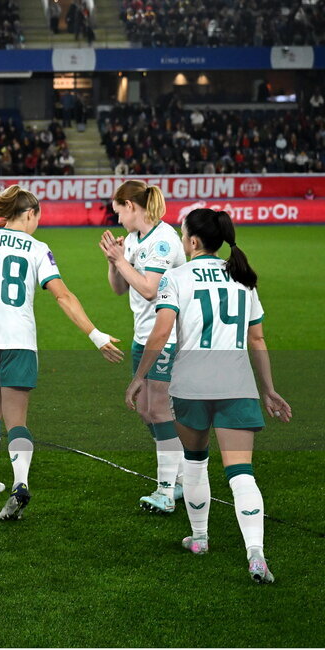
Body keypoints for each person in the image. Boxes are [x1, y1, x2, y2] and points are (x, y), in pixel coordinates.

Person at [127, 208, 291, 584]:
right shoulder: (243, 278)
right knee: (241, 474)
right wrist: (268, 389)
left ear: (194, 241)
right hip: (237, 384)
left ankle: (200, 538)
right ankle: (256, 554)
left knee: (196, 461)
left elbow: (160, 332)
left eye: (185, 234)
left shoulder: (177, 277)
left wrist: (139, 377)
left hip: (191, 386)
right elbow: (258, 339)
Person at [0, 186, 123, 520]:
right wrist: (96, 334)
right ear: (30, 214)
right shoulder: (37, 248)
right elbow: (63, 296)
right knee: (17, 420)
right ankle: (20, 482)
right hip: (19, 340)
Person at [99, 181, 187, 513]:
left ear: (131, 206)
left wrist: (122, 260)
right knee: (150, 413)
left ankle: (167, 491)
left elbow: (150, 290)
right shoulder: (135, 240)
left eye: (118, 208)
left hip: (166, 336)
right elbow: (121, 289)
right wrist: (113, 261)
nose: (116, 215)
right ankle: (180, 476)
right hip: (143, 336)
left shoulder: (163, 241)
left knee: (157, 410)